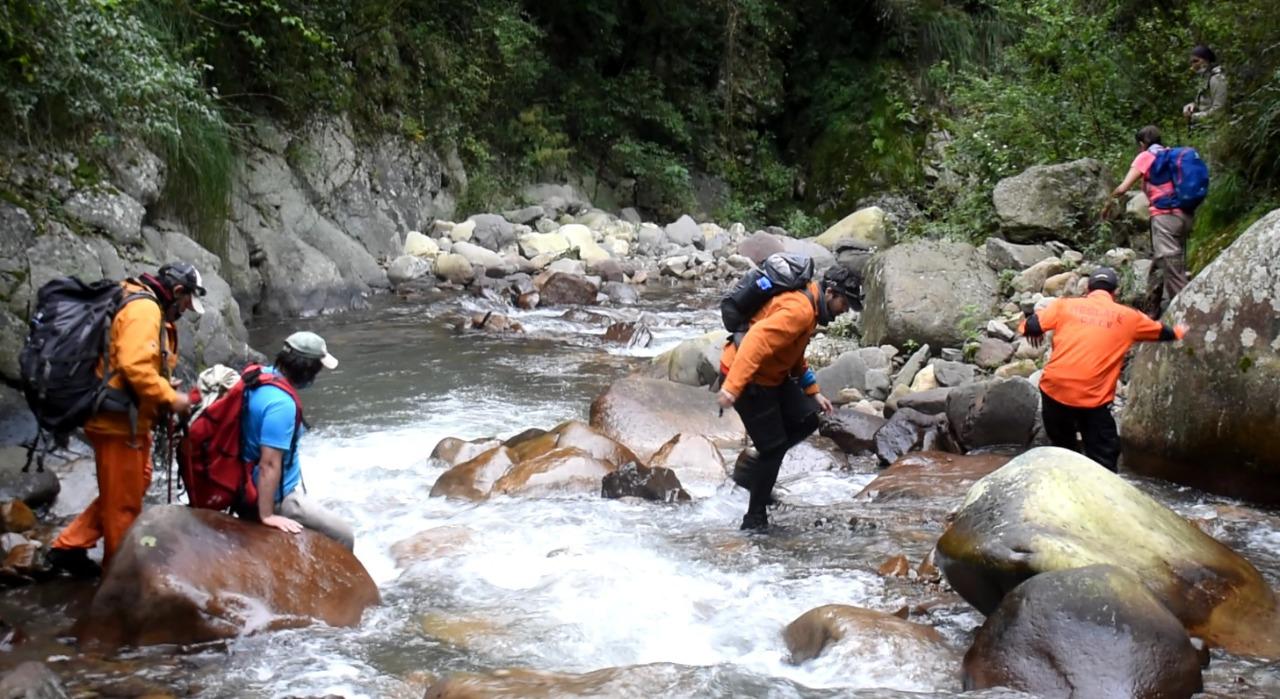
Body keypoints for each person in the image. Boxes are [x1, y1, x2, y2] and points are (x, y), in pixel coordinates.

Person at [47, 263, 205, 576]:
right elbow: (134, 366)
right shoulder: (146, 310)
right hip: (118, 425)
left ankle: (71, 545)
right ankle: (120, 578)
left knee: (137, 479)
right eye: (187, 302)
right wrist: (173, 399)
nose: (186, 310)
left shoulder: (133, 296)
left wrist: (160, 388)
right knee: (124, 506)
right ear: (177, 291)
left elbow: (129, 363)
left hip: (122, 417)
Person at [716, 265, 861, 531]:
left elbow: (791, 351)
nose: (844, 311)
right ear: (830, 292)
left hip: (772, 375)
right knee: (773, 447)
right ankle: (754, 519)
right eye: (844, 303)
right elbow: (756, 340)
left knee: (807, 420)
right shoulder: (800, 310)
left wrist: (812, 390)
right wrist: (733, 387)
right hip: (747, 377)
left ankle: (751, 474)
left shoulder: (810, 308)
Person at [1020, 267, 1187, 472]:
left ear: (1088, 290)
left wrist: (1033, 331)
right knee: (1104, 456)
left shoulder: (1065, 305)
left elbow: (1032, 324)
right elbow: (1165, 332)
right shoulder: (1129, 317)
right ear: (1114, 293)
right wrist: (1182, 332)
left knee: (1063, 451)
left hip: (1054, 391)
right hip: (1092, 398)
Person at [240, 331, 354, 549]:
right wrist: (267, 515)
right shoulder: (282, 405)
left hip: (244, 480)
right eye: (318, 369)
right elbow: (269, 464)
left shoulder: (258, 377)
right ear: (308, 369)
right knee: (345, 535)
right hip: (276, 497)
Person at [1104, 125, 1191, 318]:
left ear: (1142, 144)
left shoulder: (1146, 156)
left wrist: (1107, 204)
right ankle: (1153, 307)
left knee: (1172, 268)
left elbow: (1123, 188)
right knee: (1163, 261)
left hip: (1165, 216)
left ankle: (1189, 315)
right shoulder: (1171, 155)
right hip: (1185, 215)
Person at [1182, 45, 1227, 127]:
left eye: (1196, 61)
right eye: (1191, 62)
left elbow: (1219, 110)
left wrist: (1194, 117)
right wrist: (1192, 106)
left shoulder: (1217, 79)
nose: (1193, 65)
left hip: (1214, 129)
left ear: (1206, 60)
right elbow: (1205, 102)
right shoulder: (1205, 77)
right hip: (1203, 127)